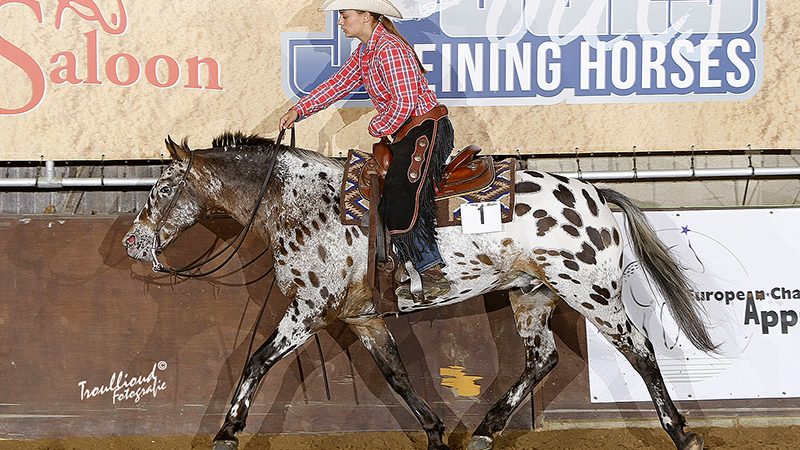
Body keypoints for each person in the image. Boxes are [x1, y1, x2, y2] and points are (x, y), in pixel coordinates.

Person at [279, 0, 454, 299]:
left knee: (401, 195)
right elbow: (337, 85)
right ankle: (406, 262)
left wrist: (377, 126)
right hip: (405, 132)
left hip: (425, 130)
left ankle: (431, 270)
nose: (341, 22)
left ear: (366, 15)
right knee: (390, 193)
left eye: (345, 16)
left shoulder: (389, 49)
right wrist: (299, 110)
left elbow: (405, 102)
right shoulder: (367, 53)